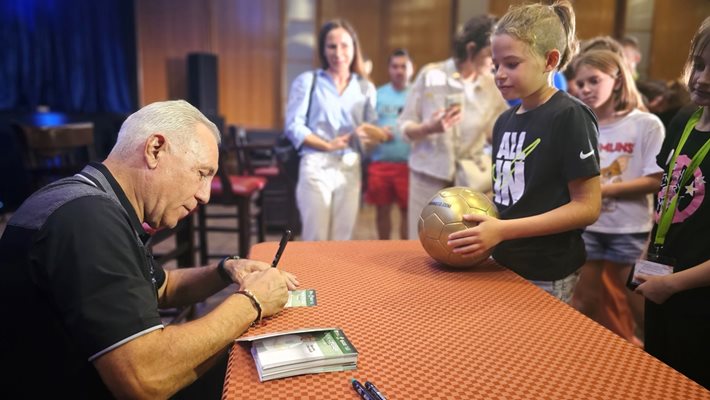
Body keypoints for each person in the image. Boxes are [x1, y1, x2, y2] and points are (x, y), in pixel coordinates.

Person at [0, 100, 299, 399]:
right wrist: (252, 302)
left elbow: (162, 286)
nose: (205, 195)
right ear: (155, 149)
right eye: (201, 173)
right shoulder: (88, 219)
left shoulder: (89, 199)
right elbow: (146, 378)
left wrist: (225, 270)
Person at [448, 0, 602, 303]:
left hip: (546, 269)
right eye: (495, 65)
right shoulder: (504, 121)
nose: (499, 74)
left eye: (512, 64)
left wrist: (503, 230)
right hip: (503, 260)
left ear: (549, 61)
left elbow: (587, 206)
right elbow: (512, 195)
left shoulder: (569, 116)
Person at [633, 16, 710, 389]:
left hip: (696, 294)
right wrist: (649, 251)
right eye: (700, 64)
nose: (703, 79)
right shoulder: (683, 119)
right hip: (664, 279)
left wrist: (676, 285)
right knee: (660, 376)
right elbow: (667, 196)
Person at [570, 49, 665, 344]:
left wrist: (601, 190)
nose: (585, 89)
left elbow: (656, 178)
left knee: (636, 301)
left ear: (618, 79)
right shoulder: (582, 124)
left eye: (593, 81)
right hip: (590, 225)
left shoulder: (645, 124)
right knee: (584, 301)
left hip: (629, 229)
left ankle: (660, 357)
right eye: (580, 83)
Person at [399, 15, 508, 240]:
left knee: (462, 244)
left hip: (470, 181)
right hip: (428, 177)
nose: (494, 62)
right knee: (421, 241)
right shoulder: (432, 75)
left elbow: (496, 131)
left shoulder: (492, 85)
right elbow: (404, 126)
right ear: (470, 49)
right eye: (490, 55)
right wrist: (429, 128)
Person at [284, 19, 379, 241]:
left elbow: (371, 129)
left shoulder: (366, 87)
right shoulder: (309, 81)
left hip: (349, 166)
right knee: (315, 237)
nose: (338, 52)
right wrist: (326, 144)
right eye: (331, 46)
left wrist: (373, 135)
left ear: (354, 48)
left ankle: (336, 278)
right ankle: (312, 278)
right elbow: (293, 126)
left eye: (344, 45)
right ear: (323, 50)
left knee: (342, 239)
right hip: (316, 164)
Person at [365, 48, 414, 239]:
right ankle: (383, 247)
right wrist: (378, 132)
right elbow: (367, 126)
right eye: (395, 66)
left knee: (407, 213)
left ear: (412, 68)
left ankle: (403, 251)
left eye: (404, 66)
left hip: (408, 164)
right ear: (388, 69)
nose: (399, 70)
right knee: (382, 210)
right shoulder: (378, 94)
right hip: (381, 162)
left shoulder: (416, 94)